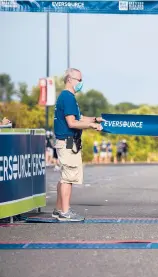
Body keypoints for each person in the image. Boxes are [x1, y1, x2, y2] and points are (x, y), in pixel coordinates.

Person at [52, 68, 103, 221]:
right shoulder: (67, 97)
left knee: (65, 175)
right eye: (79, 80)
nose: (81, 83)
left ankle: (59, 209)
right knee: (68, 176)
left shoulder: (68, 97)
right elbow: (72, 122)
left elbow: (79, 118)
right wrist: (91, 126)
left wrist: (94, 119)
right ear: (69, 79)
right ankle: (65, 212)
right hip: (68, 141)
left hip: (68, 141)